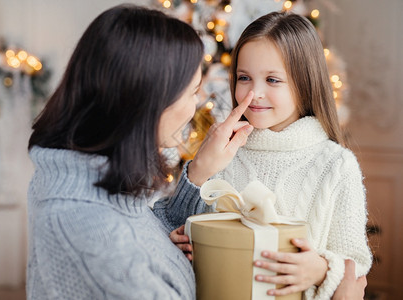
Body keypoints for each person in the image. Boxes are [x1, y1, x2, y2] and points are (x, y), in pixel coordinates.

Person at [26, 4, 255, 300]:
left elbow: (139, 238)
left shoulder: (86, 176)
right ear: (149, 101)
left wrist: (198, 174)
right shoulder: (89, 229)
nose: (198, 103)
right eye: (192, 92)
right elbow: (124, 251)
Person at [163, 11, 372, 299]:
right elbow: (184, 227)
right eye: (244, 78)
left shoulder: (337, 165)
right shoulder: (222, 153)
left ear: (305, 83)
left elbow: (355, 263)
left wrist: (322, 269)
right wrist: (176, 239)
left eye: (272, 80)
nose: (254, 93)